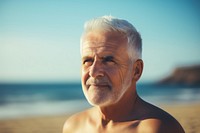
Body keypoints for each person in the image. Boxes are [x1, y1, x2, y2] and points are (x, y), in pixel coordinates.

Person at [63, 15, 185, 133]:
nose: (94, 72)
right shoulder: (73, 126)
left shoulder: (159, 128)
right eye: (87, 61)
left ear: (136, 70)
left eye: (108, 61)